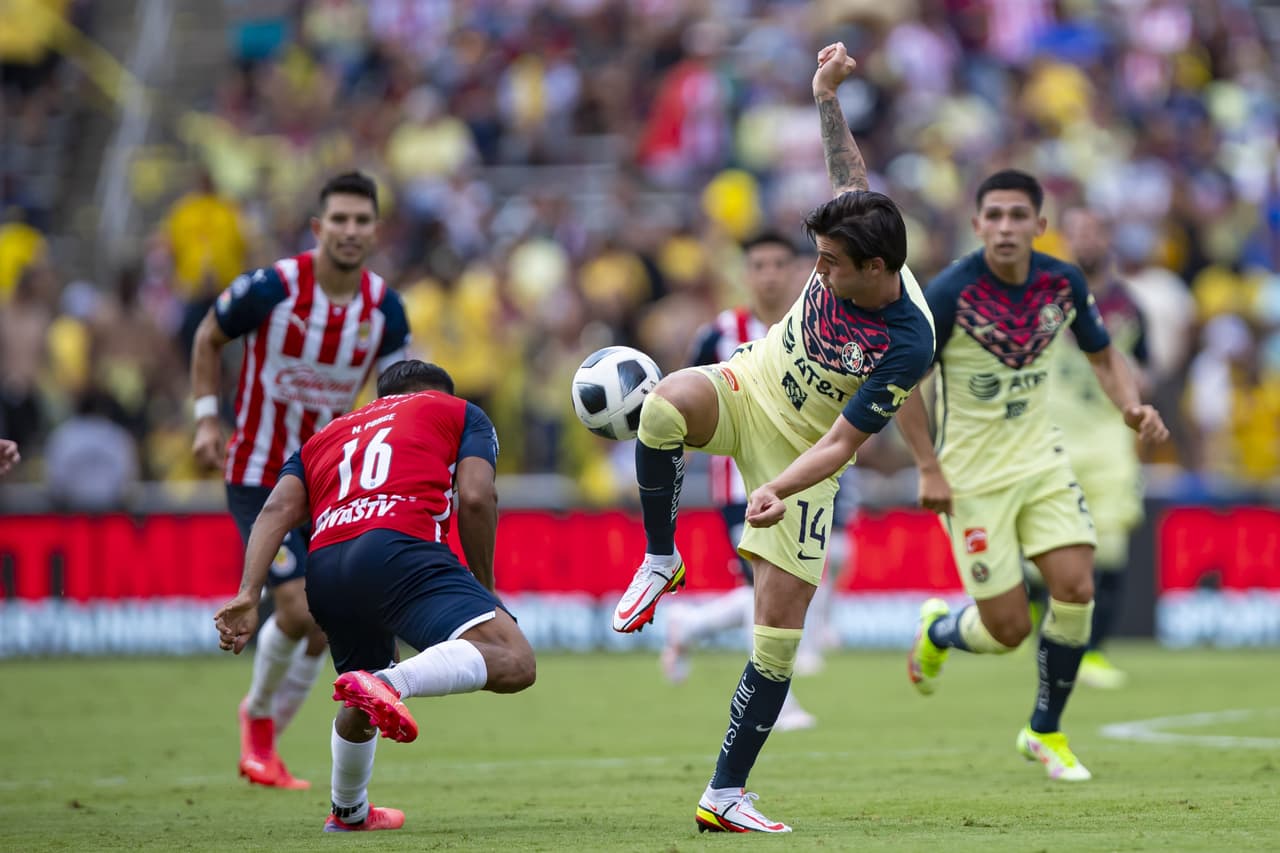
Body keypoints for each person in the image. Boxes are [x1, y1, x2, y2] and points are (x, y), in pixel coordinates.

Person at [612, 43, 935, 833]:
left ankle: (724, 794)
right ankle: (662, 557)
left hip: (803, 460)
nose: (816, 276)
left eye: (830, 265)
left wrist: (778, 488)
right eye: (815, 259)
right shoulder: (860, 224)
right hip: (750, 386)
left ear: (877, 266)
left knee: (776, 643)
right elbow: (846, 164)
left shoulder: (908, 340)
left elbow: (841, 445)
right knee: (660, 406)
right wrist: (826, 94)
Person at [894, 170, 1168, 782]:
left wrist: (1129, 405)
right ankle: (939, 630)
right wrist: (927, 466)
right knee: (1009, 629)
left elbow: (1104, 355)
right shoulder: (950, 292)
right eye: (994, 216)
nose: (1006, 227)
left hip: (1042, 463)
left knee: (1077, 589)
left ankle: (1045, 730)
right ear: (977, 226)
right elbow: (903, 379)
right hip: (971, 479)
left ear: (1040, 227)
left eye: (1019, 216)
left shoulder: (1062, 283)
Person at [214, 360, 535, 833]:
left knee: (359, 697)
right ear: (435, 392)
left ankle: (349, 812)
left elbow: (277, 508)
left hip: (324, 569)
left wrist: (248, 593)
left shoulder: (325, 437)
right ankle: (391, 682)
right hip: (399, 546)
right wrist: (483, 586)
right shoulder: (457, 410)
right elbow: (475, 496)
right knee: (515, 660)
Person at [191, 171, 411, 789]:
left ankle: (267, 740)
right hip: (260, 470)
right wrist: (208, 420)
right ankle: (257, 722)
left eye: (361, 220)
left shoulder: (384, 310)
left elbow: (397, 395)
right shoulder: (272, 288)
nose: (349, 230)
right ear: (318, 227)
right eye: (338, 219)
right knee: (296, 605)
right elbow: (209, 336)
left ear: (375, 230)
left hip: (332, 480)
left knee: (325, 619)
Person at [659, 231, 816, 732]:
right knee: (771, 590)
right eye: (759, 265)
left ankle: (692, 624)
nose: (769, 274)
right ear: (745, 274)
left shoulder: (814, 330)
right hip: (740, 487)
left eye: (778, 264)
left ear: (796, 272)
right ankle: (780, 702)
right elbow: (682, 401)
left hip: (801, 479)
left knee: (779, 590)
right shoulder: (719, 334)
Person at [1045, 206, 1151, 689]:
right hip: (1053, 436)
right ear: (1065, 238)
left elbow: (1147, 370)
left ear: (1106, 237)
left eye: (1094, 230)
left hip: (1108, 440)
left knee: (1109, 546)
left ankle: (1094, 652)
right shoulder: (1042, 296)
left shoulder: (1128, 305)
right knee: (1042, 546)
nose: (1086, 239)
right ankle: (1040, 620)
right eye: (1078, 231)